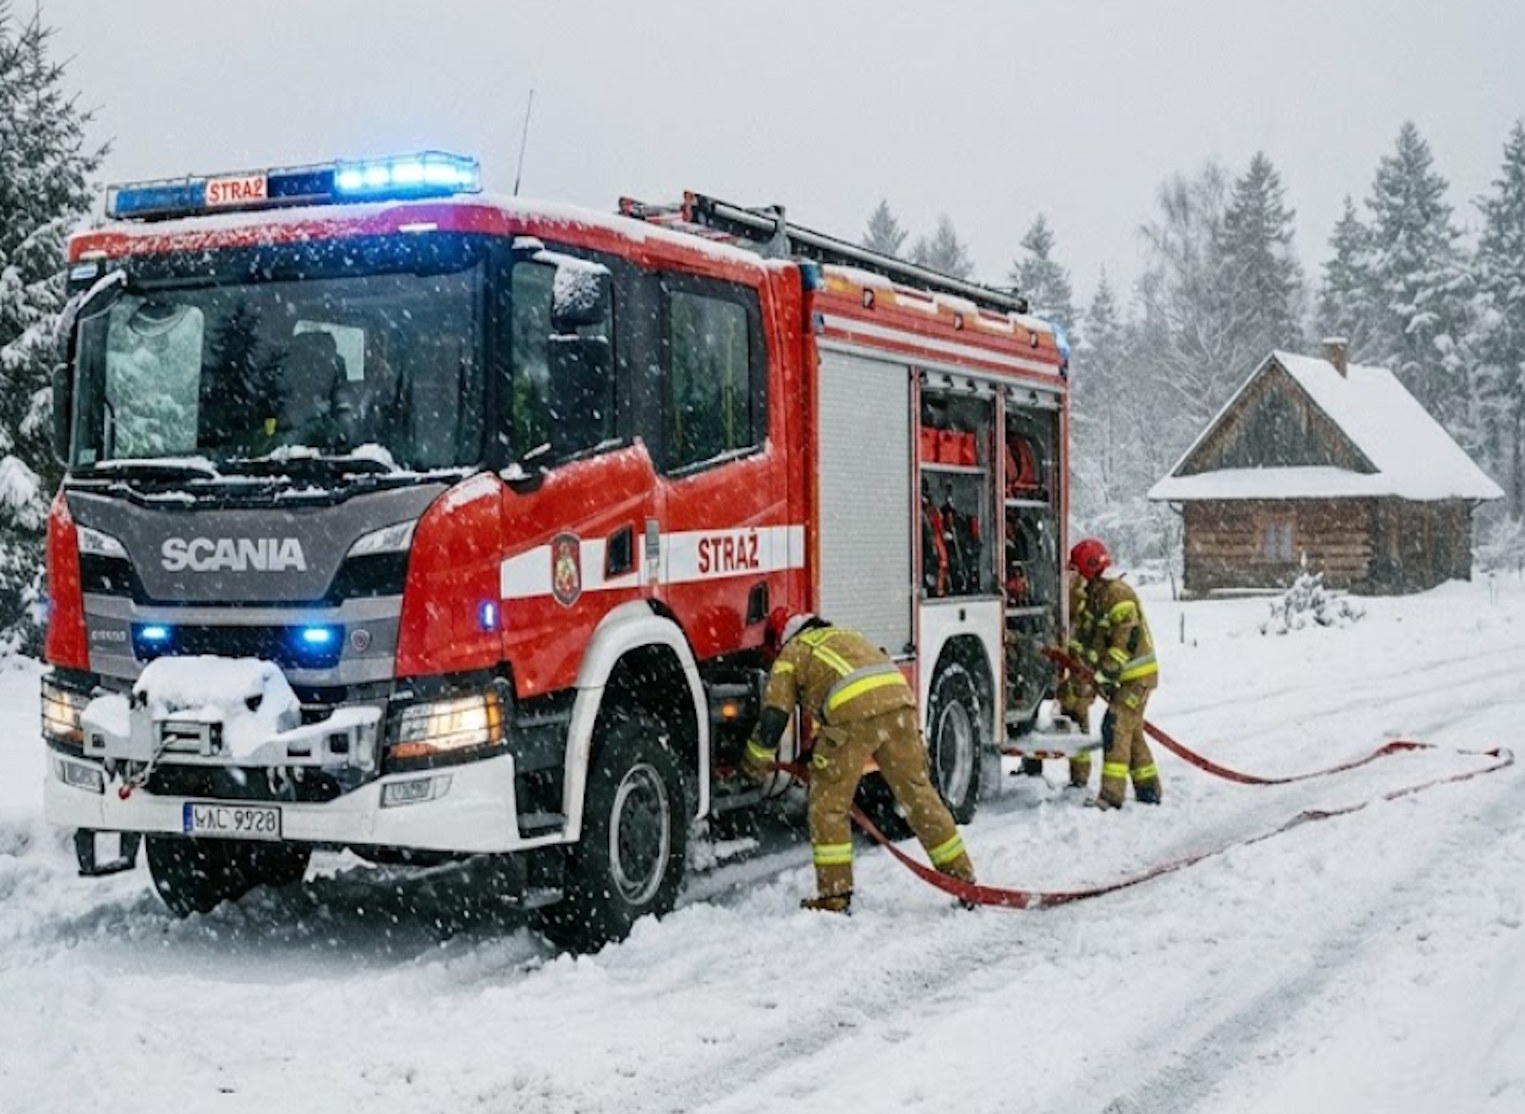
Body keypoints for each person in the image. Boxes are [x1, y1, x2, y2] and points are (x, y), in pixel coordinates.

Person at [740, 608, 976, 913]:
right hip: (900, 708)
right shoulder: (848, 636)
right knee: (920, 797)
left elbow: (774, 717)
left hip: (853, 717)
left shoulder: (793, 653)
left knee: (828, 806)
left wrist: (753, 760)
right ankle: (963, 879)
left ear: (781, 639)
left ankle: (834, 895)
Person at [1069, 538, 1162, 809]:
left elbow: (1124, 644)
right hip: (1122, 679)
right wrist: (1076, 664)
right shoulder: (1093, 599)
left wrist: (1103, 674)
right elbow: (1086, 639)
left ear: (1089, 569)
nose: (1074, 578)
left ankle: (1111, 797)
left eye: (1076, 571)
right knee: (1130, 732)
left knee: (1115, 725)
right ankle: (1148, 790)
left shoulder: (1118, 595)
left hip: (1137, 678)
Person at [1055, 567, 1098, 789]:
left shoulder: (1084, 605)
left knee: (1078, 722)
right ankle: (1032, 766)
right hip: (1070, 671)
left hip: (1079, 673)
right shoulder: (1074, 596)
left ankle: (1080, 778)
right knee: (1069, 720)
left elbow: (1085, 641)